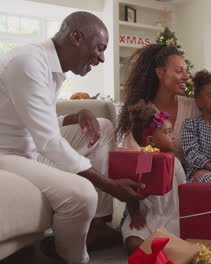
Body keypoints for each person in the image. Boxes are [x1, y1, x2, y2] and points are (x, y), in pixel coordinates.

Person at [0, 11, 145, 264]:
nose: (101, 58)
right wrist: (110, 185)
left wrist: (76, 115)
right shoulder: (28, 63)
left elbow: (42, 127)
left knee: (103, 126)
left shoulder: (49, 66)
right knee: (82, 194)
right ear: (76, 37)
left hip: (31, 147)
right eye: (99, 48)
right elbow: (48, 141)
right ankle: (71, 257)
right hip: (7, 154)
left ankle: (97, 224)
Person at [119, 102, 186, 255]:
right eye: (167, 132)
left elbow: (184, 191)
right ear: (150, 141)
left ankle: (158, 249)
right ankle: (152, 249)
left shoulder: (175, 162)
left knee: (174, 244)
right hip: (147, 217)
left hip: (171, 217)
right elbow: (132, 192)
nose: (173, 137)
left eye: (172, 131)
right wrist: (135, 214)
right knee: (133, 243)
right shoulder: (143, 161)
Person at [117, 44, 200, 164]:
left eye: (186, 71)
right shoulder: (141, 112)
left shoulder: (194, 107)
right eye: (178, 71)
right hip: (155, 176)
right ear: (160, 73)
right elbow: (136, 159)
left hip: (191, 179)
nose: (186, 77)